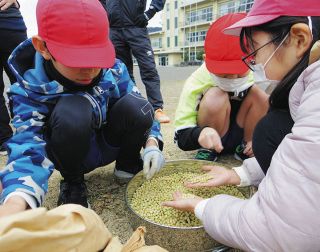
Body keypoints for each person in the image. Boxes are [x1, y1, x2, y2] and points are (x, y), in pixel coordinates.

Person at [164, 0, 320, 250]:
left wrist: (201, 206)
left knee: (267, 116)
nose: (254, 62)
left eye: (254, 50)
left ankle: (247, 150)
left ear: (300, 39)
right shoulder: (200, 80)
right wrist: (241, 174)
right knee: (269, 122)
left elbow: (276, 231)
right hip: (217, 133)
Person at [0, 0, 165, 215]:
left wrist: (152, 142)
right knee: (72, 111)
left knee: (138, 107)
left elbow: (139, 103)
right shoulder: (30, 90)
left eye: (96, 58)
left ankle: (127, 163)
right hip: (69, 149)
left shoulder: (113, 70)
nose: (89, 70)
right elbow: (27, 147)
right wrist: (15, 202)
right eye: (77, 60)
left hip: (109, 142)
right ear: (43, 48)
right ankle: (73, 182)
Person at [174, 13, 269, 162]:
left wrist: (259, 137)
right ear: (206, 60)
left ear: (253, 59)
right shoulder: (197, 80)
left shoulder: (256, 71)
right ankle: (209, 149)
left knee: (262, 95)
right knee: (215, 95)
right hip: (212, 134)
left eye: (239, 73)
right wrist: (200, 134)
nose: (232, 78)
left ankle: (246, 145)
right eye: (224, 74)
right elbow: (181, 132)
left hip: (241, 130)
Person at [100, 0, 170, 124]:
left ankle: (156, 108)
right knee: (122, 71)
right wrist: (106, 15)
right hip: (114, 30)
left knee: (148, 68)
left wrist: (150, 12)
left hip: (136, 27)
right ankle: (134, 106)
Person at [0, 0, 27, 155]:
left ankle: (31, 134)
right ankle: (5, 139)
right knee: (24, 82)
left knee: (24, 82)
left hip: (9, 19)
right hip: (10, 20)